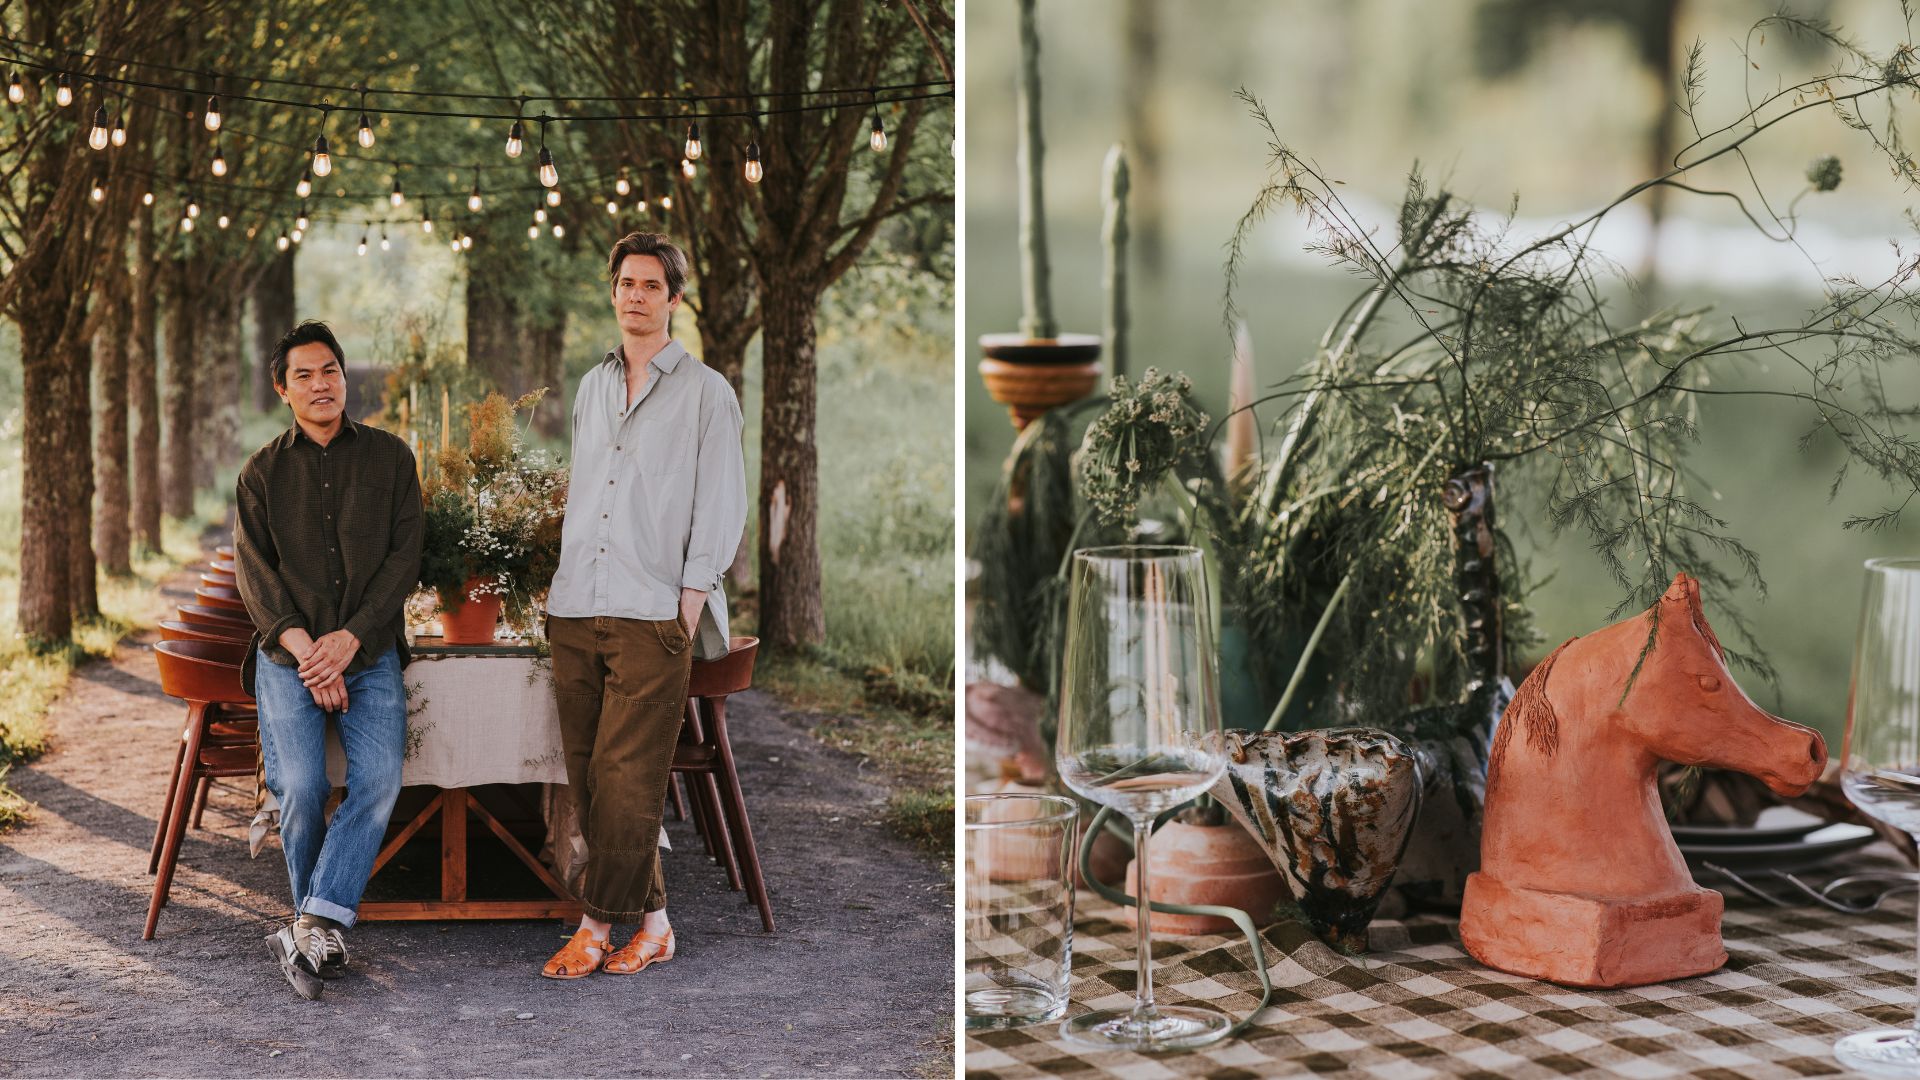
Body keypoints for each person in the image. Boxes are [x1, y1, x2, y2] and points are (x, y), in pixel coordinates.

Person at [540, 231, 747, 979]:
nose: (635, 295)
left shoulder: (706, 394)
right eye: (626, 282)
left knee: (630, 781)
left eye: (651, 285)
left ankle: (596, 926)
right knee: (592, 776)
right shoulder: (592, 385)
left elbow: (721, 506)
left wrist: (688, 604)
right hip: (576, 606)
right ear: (613, 290)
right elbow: (585, 492)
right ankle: (655, 925)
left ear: (675, 299)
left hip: (652, 611)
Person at [233, 320, 423, 999]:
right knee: (304, 788)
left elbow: (405, 558)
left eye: (331, 371)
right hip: (289, 660)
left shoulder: (391, 459)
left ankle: (311, 921)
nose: (322, 384)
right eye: (305, 375)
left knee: (378, 779)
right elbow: (255, 578)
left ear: (346, 378)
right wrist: (308, 649)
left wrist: (350, 640)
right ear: (283, 388)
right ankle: (321, 924)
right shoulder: (260, 474)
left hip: (368, 653)